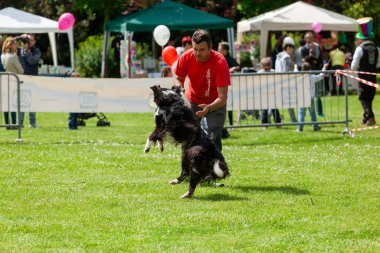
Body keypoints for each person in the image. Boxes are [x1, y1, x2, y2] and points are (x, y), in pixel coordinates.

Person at [174, 29, 230, 152]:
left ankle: (214, 168)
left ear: (210, 47)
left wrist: (209, 107)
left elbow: (222, 98)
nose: (197, 53)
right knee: (188, 137)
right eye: (195, 49)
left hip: (215, 103)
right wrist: (179, 88)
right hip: (192, 101)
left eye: (202, 49)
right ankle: (188, 168)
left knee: (213, 137)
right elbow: (178, 79)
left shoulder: (220, 61)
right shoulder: (186, 57)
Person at [351, 17, 380, 126]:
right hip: (373, 75)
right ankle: (366, 118)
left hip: (362, 76)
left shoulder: (359, 48)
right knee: (369, 97)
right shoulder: (377, 48)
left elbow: (354, 63)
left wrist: (353, 70)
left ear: (361, 39)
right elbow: (378, 64)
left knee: (362, 97)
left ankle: (370, 116)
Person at [297, 62, 329, 132]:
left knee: (301, 113)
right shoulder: (312, 77)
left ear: (302, 69)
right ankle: (315, 126)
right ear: (310, 69)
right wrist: (324, 67)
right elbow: (321, 76)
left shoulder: (299, 76)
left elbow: (295, 72)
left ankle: (300, 128)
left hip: (302, 97)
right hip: (310, 98)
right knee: (312, 113)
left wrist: (295, 67)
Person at [1, 36, 24, 130]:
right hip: (13, 81)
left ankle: (7, 124)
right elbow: (21, 71)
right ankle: (14, 123)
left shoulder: (2, 56)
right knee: (13, 103)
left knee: (6, 103)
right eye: (15, 44)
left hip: (4, 81)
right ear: (11, 45)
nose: (17, 45)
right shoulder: (14, 57)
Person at [18, 34, 41, 128]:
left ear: (34, 41)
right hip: (22, 79)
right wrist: (20, 37)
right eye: (28, 40)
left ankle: (32, 123)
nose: (29, 42)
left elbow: (32, 61)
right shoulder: (20, 50)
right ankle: (20, 123)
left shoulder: (37, 51)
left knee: (33, 101)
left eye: (31, 40)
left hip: (33, 79)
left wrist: (27, 52)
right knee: (22, 101)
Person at [218, 41, 240, 138]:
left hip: (230, 87)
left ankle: (230, 124)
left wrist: (234, 68)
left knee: (229, 105)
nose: (218, 50)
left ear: (225, 50)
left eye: (220, 49)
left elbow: (239, 67)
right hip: (221, 87)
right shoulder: (218, 58)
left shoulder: (230, 59)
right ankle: (223, 126)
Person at [275, 36, 297, 123]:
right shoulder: (287, 57)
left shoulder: (279, 56)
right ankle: (294, 120)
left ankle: (266, 119)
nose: (292, 51)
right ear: (288, 47)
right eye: (292, 49)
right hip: (285, 82)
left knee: (276, 102)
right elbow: (286, 71)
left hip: (278, 80)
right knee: (289, 102)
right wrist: (292, 68)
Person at [302, 31, 324, 117]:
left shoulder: (317, 46)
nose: (310, 40)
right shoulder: (303, 49)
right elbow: (305, 60)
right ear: (305, 39)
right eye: (308, 38)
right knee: (307, 93)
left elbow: (319, 59)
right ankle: (308, 112)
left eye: (311, 38)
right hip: (307, 73)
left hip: (316, 71)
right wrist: (310, 54)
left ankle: (320, 112)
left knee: (318, 94)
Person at [259, 57, 281, 128]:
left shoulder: (273, 72)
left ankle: (278, 123)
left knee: (275, 109)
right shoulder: (259, 73)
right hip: (263, 94)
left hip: (272, 93)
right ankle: (264, 124)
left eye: (268, 68)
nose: (267, 70)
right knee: (264, 110)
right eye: (266, 69)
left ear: (270, 66)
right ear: (262, 66)